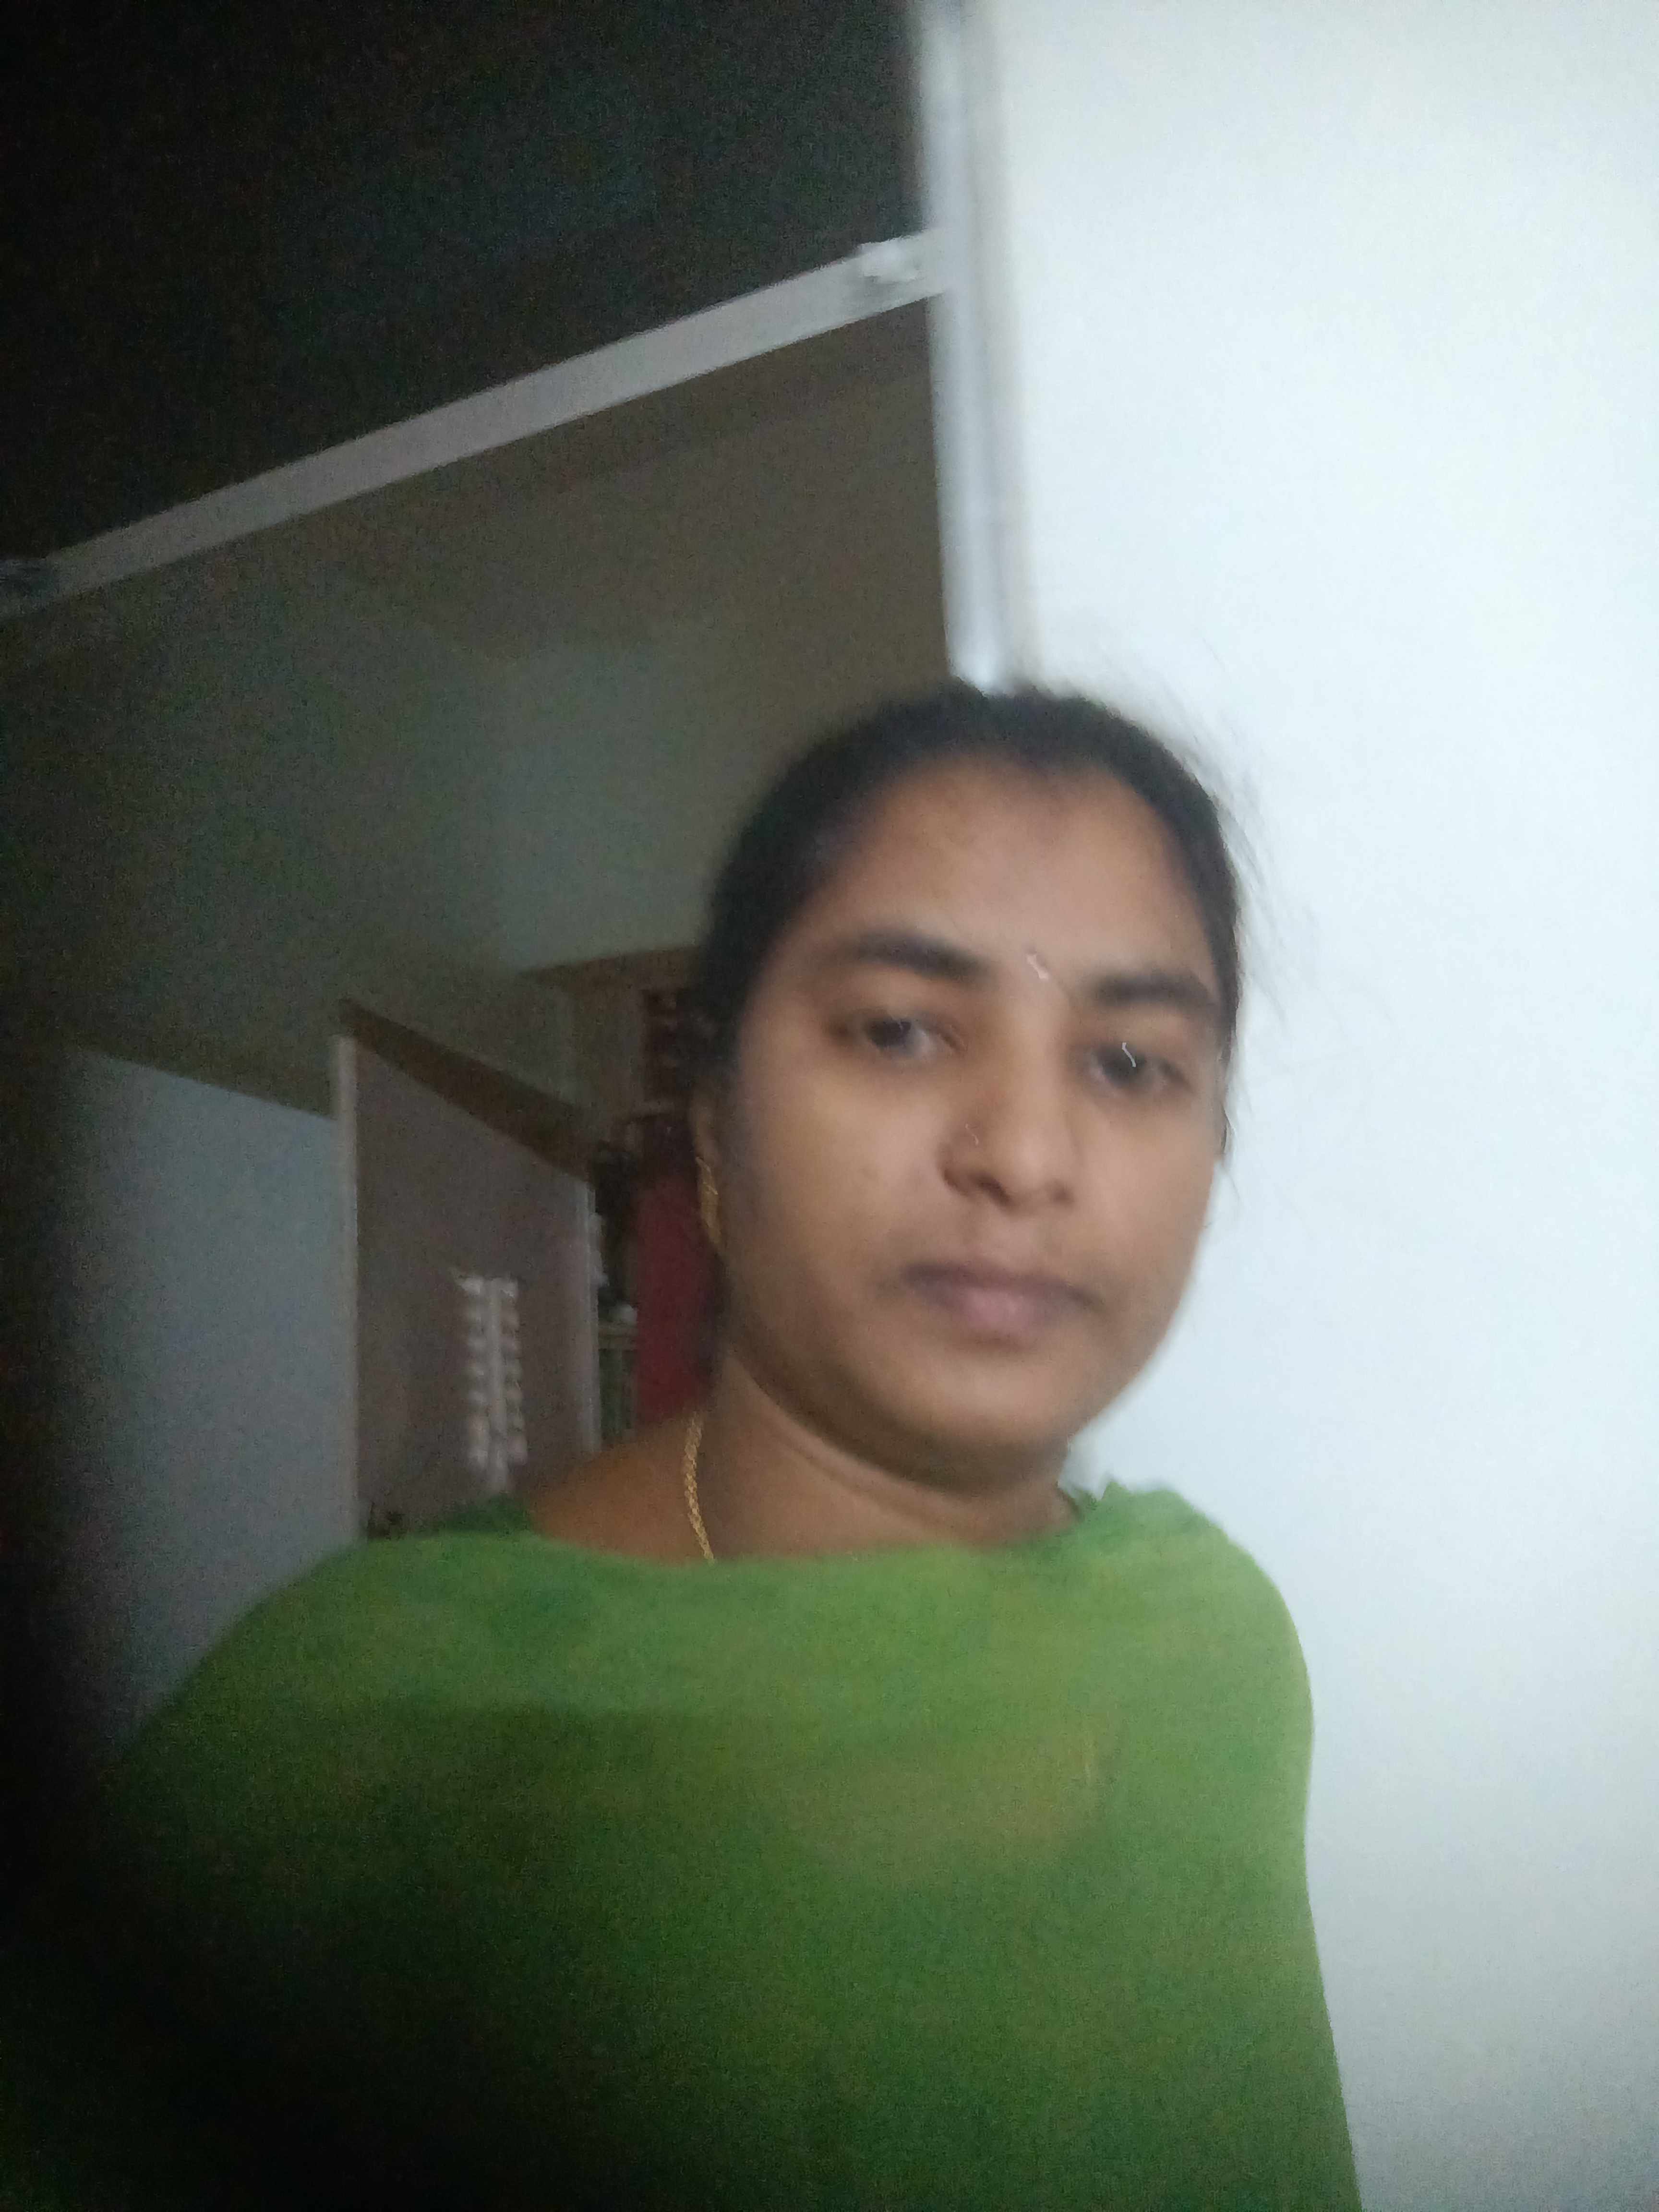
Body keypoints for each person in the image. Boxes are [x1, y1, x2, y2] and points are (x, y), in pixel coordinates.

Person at [0, 684, 1359, 2209]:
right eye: (901, 1030)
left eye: (1130, 1064)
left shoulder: (1215, 1635)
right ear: (712, 1130)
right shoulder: (366, 1730)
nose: (1026, 1156)